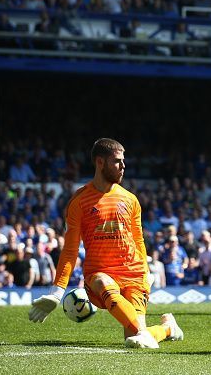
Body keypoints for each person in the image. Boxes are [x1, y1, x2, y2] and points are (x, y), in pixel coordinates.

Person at [28, 138, 183, 349]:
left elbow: (138, 239)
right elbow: (70, 249)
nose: (123, 166)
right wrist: (57, 292)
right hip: (99, 273)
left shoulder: (130, 200)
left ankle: (168, 328)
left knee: (135, 337)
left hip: (133, 273)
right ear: (100, 162)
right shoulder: (79, 201)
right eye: (117, 161)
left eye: (123, 161)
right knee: (102, 282)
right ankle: (154, 330)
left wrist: (145, 271)